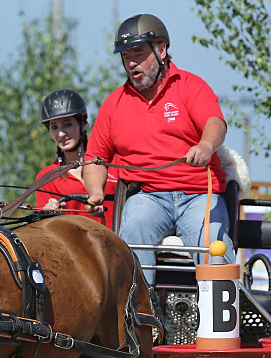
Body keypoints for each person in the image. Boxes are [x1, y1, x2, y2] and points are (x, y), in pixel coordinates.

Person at [83, 13, 232, 283]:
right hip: (147, 197)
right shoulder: (114, 104)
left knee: (213, 246)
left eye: (138, 53)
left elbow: (215, 123)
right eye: (126, 56)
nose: (131, 62)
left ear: (161, 49)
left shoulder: (190, 86)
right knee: (133, 236)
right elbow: (96, 159)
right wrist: (94, 193)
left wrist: (205, 145)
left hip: (199, 194)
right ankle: (141, 320)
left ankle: (221, 320)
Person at [34, 89, 117, 227]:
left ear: (83, 123)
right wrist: (47, 216)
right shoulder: (47, 177)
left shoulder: (113, 163)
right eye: (54, 127)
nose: (61, 133)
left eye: (67, 124)